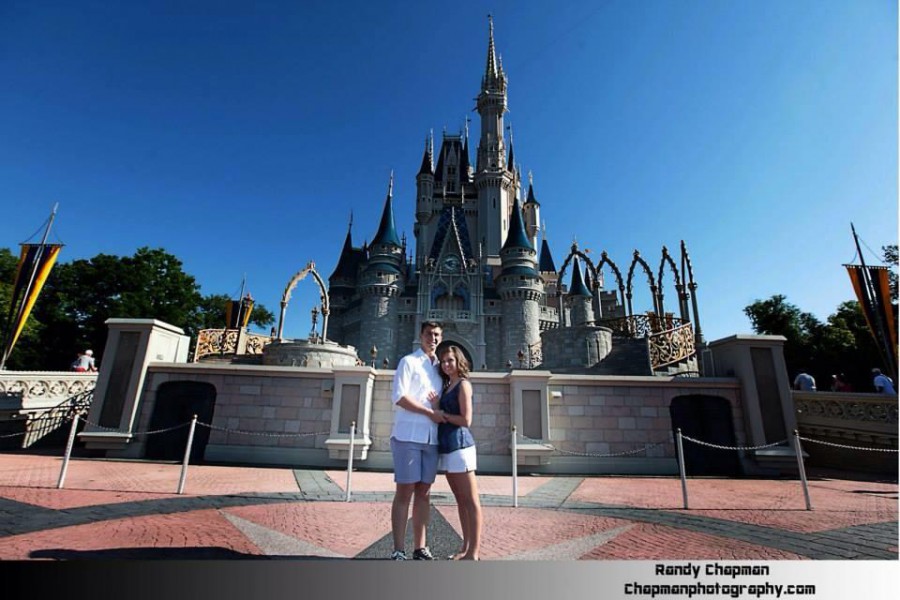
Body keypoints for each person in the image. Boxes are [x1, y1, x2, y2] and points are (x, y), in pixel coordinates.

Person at [388, 321, 445, 560]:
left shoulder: (441, 368)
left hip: (431, 438)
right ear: (421, 336)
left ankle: (420, 547)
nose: (433, 338)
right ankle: (398, 549)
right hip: (408, 435)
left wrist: (437, 410)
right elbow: (399, 397)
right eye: (429, 334)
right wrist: (429, 412)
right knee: (405, 492)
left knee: (424, 492)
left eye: (437, 335)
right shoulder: (408, 362)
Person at [432, 345, 482, 561]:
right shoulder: (447, 386)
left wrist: (441, 414)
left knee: (471, 501)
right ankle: (465, 546)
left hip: (461, 448)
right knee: (460, 500)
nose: (446, 364)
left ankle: (474, 552)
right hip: (448, 448)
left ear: (458, 361)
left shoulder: (463, 385)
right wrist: (436, 405)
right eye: (443, 361)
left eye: (450, 360)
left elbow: (466, 420)